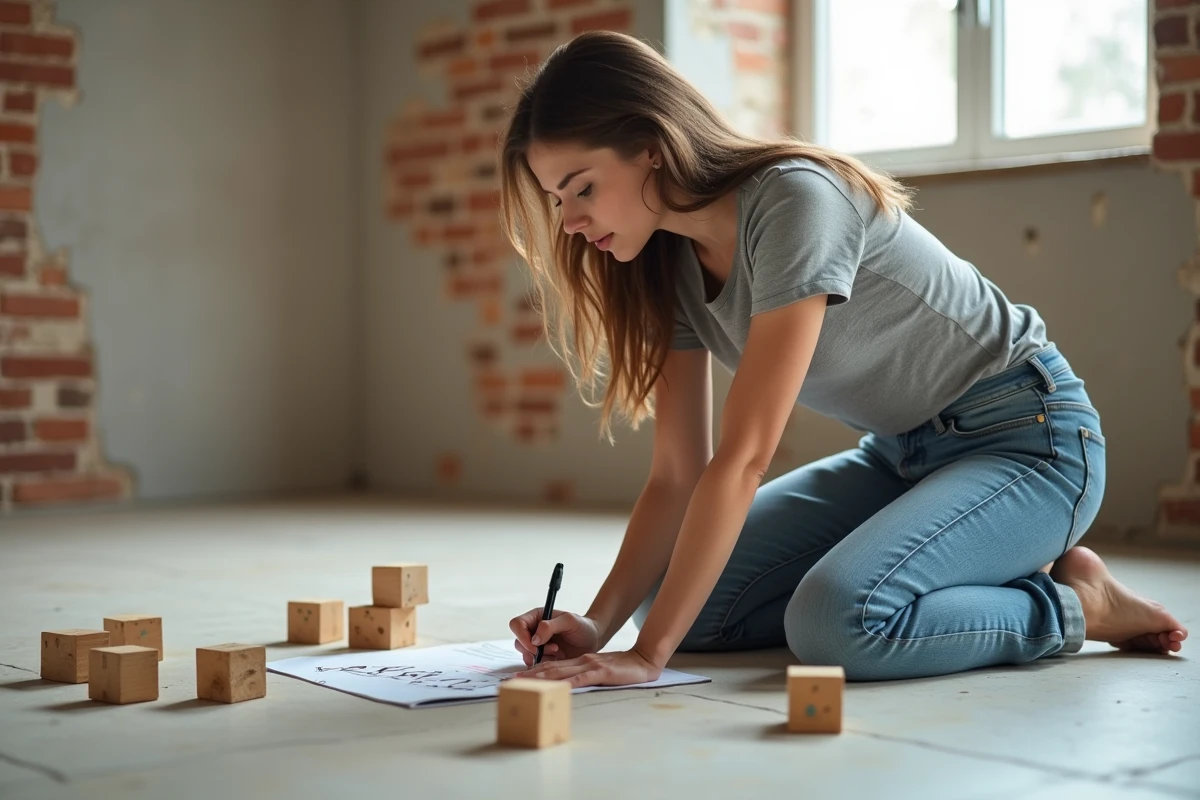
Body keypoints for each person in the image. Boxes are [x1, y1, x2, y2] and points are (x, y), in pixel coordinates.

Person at [498, 30, 1187, 685]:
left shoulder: (794, 200)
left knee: (837, 622)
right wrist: (598, 623)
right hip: (900, 458)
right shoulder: (667, 263)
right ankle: (957, 562)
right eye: (558, 199)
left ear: (650, 145)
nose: (569, 221)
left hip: (1030, 440)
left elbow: (743, 457)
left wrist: (648, 659)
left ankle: (1077, 605)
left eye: (583, 187)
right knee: (681, 604)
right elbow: (679, 474)